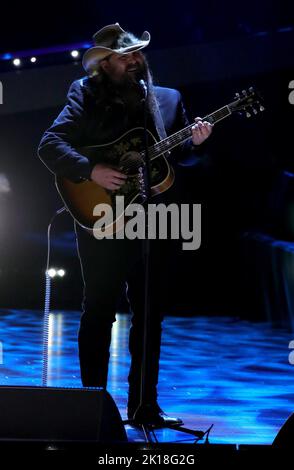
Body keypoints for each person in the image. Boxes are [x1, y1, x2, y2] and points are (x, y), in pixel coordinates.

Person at [38, 23, 212, 426]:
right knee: (99, 311)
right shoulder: (86, 93)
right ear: (105, 64)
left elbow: (178, 158)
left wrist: (195, 142)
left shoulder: (168, 100)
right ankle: (93, 407)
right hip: (102, 215)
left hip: (154, 218)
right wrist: (91, 169)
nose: (134, 61)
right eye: (124, 56)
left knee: (151, 315)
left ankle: (144, 407)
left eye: (137, 54)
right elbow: (50, 144)